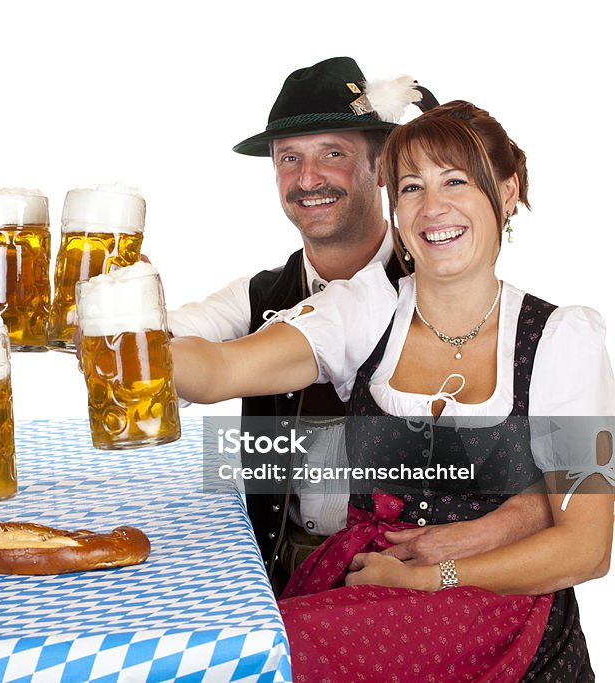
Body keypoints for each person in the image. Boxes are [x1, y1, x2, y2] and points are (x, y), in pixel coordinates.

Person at [173, 100, 614, 679]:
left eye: (455, 181)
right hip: (369, 588)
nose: (433, 207)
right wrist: (120, 333)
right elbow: (219, 372)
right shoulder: (366, 308)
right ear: (395, 205)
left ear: (506, 194)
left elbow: (587, 548)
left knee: (271, 653)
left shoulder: (562, 340)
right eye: (411, 187)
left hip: (506, 617)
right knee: (245, 648)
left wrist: (434, 576)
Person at [167, 57, 550, 588]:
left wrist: (518, 517)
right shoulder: (268, 295)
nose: (308, 177)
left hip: (415, 576)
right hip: (282, 571)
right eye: (289, 158)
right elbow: (190, 353)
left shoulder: (453, 291)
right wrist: (113, 319)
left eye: (333, 153)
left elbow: (570, 483)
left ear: (381, 170)